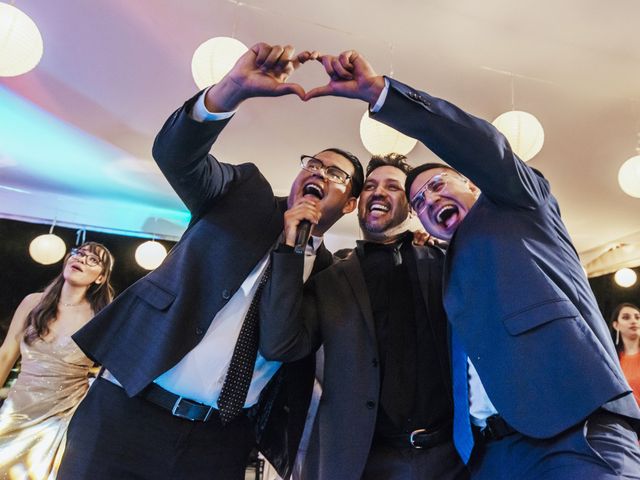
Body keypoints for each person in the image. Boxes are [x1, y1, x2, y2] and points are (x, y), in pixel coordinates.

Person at [299, 48, 640, 478]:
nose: (430, 199)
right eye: (420, 201)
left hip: (572, 430)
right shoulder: (442, 270)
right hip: (486, 455)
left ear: (474, 184)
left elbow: (484, 148)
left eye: (439, 184)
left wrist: (383, 94)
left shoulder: (518, 207)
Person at [57, 43, 364, 480]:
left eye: (335, 174)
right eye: (312, 164)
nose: (317, 173)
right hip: (127, 411)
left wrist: (293, 250)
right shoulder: (244, 192)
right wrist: (229, 91)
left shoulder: (332, 276)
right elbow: (177, 157)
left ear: (350, 203)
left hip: (217, 442)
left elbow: (283, 345)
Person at [261, 153, 467, 480]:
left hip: (452, 459)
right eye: (370, 186)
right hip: (363, 462)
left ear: (412, 206)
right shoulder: (330, 280)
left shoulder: (444, 265)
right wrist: (290, 251)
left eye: (392, 187)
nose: (377, 192)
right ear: (357, 204)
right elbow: (279, 345)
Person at [0, 242, 114, 480]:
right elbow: (6, 355)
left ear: (100, 278)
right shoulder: (34, 302)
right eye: (79, 253)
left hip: (62, 417)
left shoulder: (101, 317)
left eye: (93, 260)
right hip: (15, 410)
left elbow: (109, 372)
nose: (82, 259)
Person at [611, 302, 640, 405]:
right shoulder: (612, 360)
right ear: (616, 325)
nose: (633, 321)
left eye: (637, 317)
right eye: (626, 317)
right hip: (623, 419)